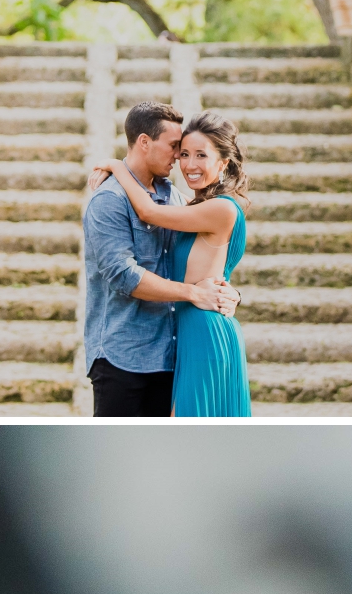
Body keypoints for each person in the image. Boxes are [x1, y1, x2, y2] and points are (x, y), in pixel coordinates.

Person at [86, 113, 252, 417]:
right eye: (181, 150)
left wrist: (116, 165)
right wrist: (198, 291)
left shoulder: (215, 207)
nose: (184, 161)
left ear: (223, 162)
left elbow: (149, 213)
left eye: (200, 154)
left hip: (200, 332)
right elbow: (125, 273)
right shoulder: (180, 203)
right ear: (145, 142)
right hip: (144, 349)